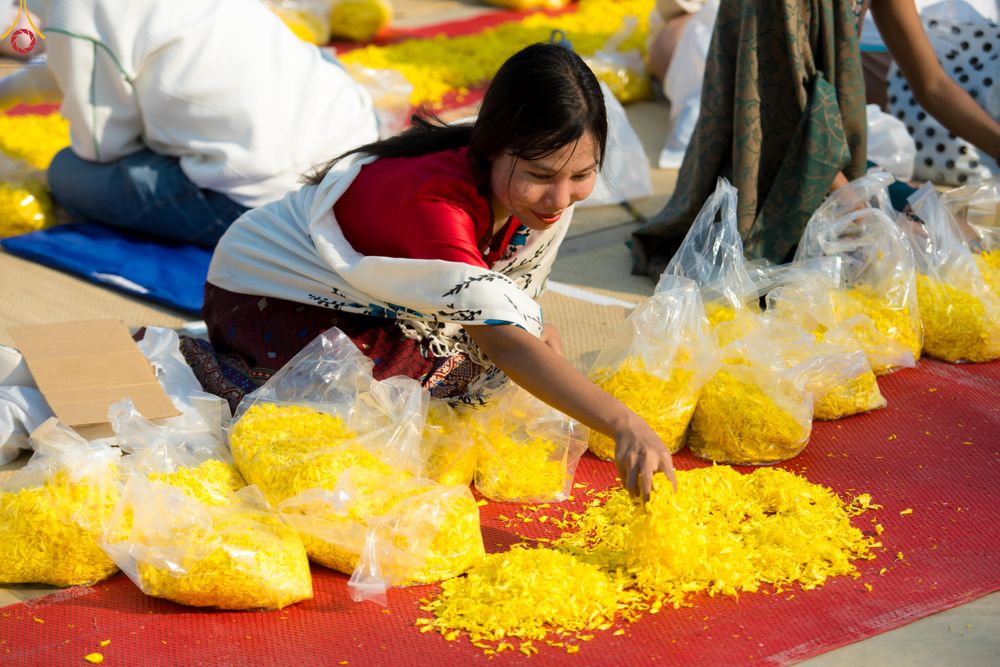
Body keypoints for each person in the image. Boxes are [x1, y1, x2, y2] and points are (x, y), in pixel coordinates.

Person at [190, 42, 676, 500]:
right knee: (441, 373)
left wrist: (531, 320)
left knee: (491, 358)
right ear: (492, 150)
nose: (560, 199)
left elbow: (510, 288)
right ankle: (224, 366)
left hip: (368, 293)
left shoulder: (535, 183)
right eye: (541, 176)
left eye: (582, 175)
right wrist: (621, 424)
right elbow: (501, 338)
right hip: (258, 293)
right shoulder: (436, 203)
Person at [630, 0, 1000, 277]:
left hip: (830, 157)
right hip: (762, 174)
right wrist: (864, 216)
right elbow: (783, 122)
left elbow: (932, 84)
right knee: (886, 262)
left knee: (951, 236)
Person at [0, 0, 379, 247]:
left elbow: (104, 147)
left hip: (271, 200)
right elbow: (96, 54)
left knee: (68, 172)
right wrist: (12, 88)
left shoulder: (71, 12)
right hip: (356, 150)